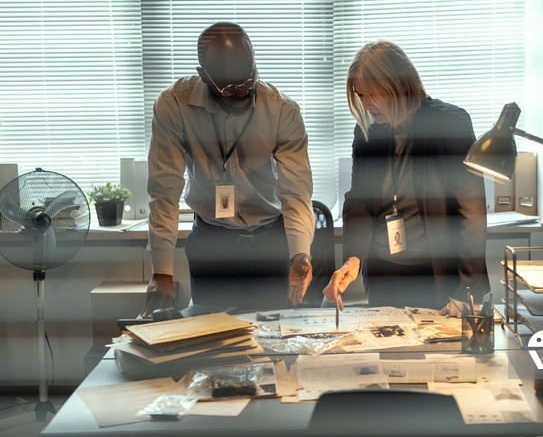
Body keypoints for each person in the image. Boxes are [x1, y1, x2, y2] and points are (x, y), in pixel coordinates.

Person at [140, 22, 315, 318]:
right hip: (212, 247)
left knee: (272, 342)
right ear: (203, 76)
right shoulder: (173, 106)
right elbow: (165, 191)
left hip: (270, 245)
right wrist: (162, 272)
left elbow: (296, 192)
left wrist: (299, 252)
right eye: (229, 88)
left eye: (248, 84)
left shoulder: (282, 111)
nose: (241, 95)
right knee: (210, 345)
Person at [323, 40, 489, 312]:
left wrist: (468, 289)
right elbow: (359, 203)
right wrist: (351, 259)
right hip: (384, 274)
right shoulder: (367, 133)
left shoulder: (449, 124)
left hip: (437, 275)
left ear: (400, 87)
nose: (366, 106)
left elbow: (471, 211)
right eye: (360, 96)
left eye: (372, 95)